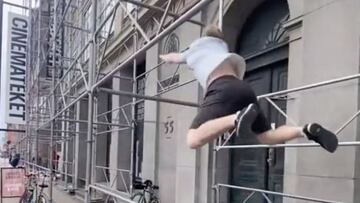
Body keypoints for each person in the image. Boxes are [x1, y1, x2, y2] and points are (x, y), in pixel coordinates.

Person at [159, 25, 339, 152]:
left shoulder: (195, 50)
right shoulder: (222, 50)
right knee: (267, 137)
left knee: (192, 139)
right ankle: (305, 130)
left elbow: (175, 57)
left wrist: (164, 55)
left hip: (221, 88)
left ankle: (237, 118)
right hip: (243, 88)